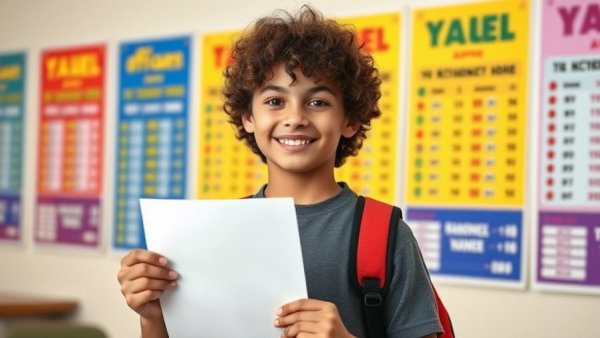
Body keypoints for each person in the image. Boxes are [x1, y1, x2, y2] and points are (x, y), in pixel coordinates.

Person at [117, 5, 442, 338]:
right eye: (275, 101)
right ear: (248, 117)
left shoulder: (385, 234)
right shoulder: (213, 233)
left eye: (318, 102)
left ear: (350, 120)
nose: (295, 117)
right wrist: (154, 317)